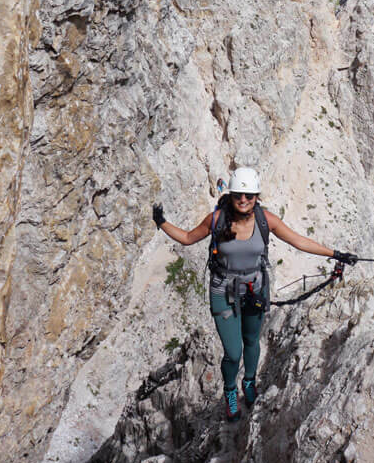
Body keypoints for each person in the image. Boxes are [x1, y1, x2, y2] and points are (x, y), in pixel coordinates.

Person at [151, 167, 357, 421]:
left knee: (252, 341)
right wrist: (161, 222)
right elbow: (186, 238)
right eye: (239, 194)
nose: (244, 200)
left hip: (254, 290)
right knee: (233, 352)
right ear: (232, 194)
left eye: (249, 195)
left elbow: (298, 240)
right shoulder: (216, 220)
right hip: (223, 291)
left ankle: (249, 382)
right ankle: (230, 392)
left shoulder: (265, 220)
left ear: (256, 196)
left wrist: (335, 254)